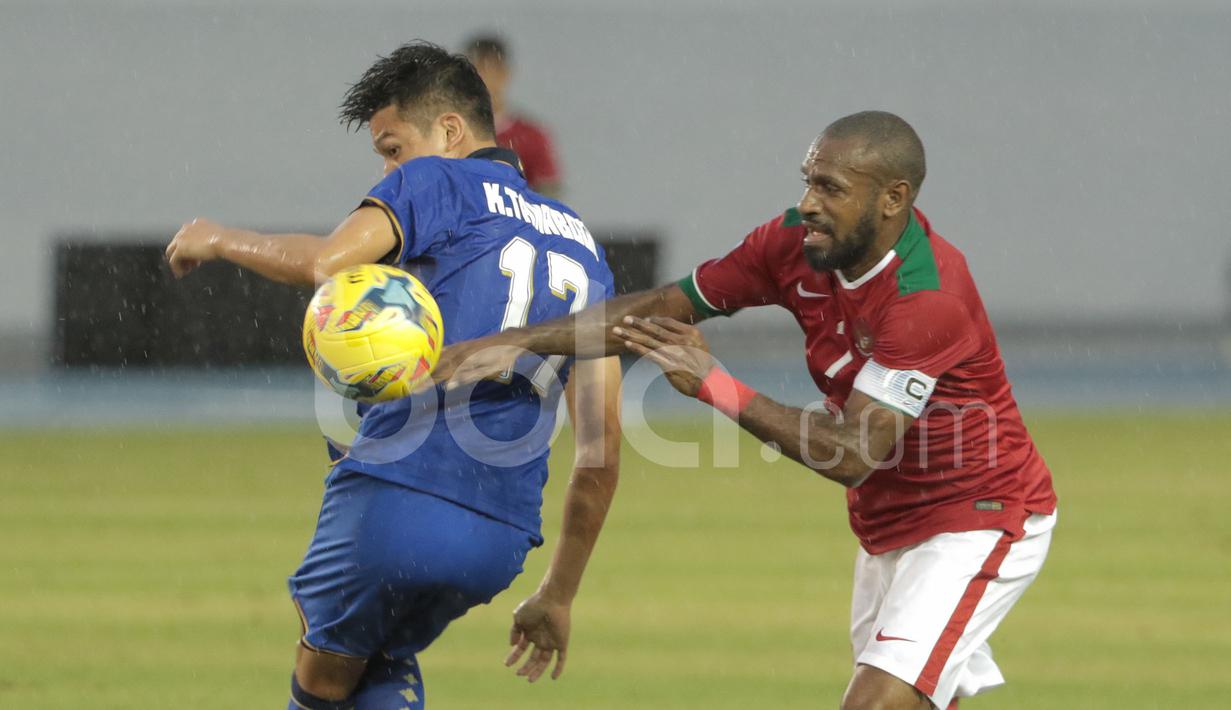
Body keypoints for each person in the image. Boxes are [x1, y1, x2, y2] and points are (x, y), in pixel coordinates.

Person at [435, 111, 1058, 710]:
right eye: (809, 180)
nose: (808, 202)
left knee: (876, 703)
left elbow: (850, 453)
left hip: (978, 515)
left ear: (893, 198)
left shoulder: (927, 297)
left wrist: (715, 385)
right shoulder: (793, 242)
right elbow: (658, 306)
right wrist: (505, 342)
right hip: (886, 525)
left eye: (831, 188)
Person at [164, 41, 622, 709]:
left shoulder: (437, 180)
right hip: (501, 536)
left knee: (321, 682)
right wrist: (559, 591)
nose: (386, 169)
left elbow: (331, 265)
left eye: (391, 147)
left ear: (449, 131)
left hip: (397, 495)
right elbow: (599, 448)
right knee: (379, 659)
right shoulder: (585, 247)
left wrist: (221, 238)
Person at [465, 34, 564, 198]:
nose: (482, 78)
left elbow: (549, 195)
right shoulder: (449, 132)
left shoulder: (532, 136)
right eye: (475, 70)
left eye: (490, 69)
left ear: (505, 73)